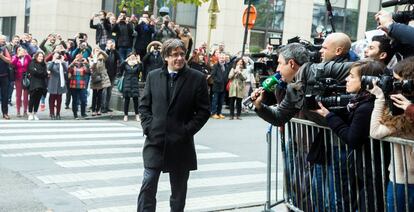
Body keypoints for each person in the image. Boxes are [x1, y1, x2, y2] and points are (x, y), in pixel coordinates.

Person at [251, 33, 353, 211]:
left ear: (291, 64)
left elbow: (364, 68)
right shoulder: (293, 87)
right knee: (318, 199)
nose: (277, 69)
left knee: (335, 201)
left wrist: (311, 71)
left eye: (279, 64)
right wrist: (260, 106)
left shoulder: (323, 69)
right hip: (321, 148)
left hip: (343, 147)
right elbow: (279, 117)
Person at [137, 39, 210, 212]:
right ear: (165, 57)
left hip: (181, 144)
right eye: (174, 55)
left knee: (178, 193)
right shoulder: (153, 76)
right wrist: (149, 127)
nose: (179, 58)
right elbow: (144, 106)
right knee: (148, 185)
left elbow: (203, 111)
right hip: (155, 142)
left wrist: (186, 131)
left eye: (182, 54)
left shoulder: (197, 78)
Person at [314, 59, 390, 211]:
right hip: (370, 169)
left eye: (351, 76)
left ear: (367, 81)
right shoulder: (362, 102)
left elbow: (352, 139)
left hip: (373, 171)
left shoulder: (366, 107)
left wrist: (330, 116)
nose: (347, 79)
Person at [369, 56, 414, 212]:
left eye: (397, 82)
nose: (393, 86)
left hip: (404, 180)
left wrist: (380, 98)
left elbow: (375, 132)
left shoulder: (405, 112)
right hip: (400, 176)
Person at [119, 53, 142, 122]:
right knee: (127, 100)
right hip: (127, 83)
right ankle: (125, 115)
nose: (132, 58)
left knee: (136, 101)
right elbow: (121, 67)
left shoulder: (137, 64)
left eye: (133, 57)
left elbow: (141, 70)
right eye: (131, 57)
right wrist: (126, 60)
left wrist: (139, 61)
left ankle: (137, 115)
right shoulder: (126, 64)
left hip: (134, 83)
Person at [11, 47, 32, 117]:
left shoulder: (27, 57)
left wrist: (27, 54)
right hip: (18, 78)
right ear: (17, 51)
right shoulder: (15, 57)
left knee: (26, 95)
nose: (21, 52)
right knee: (18, 95)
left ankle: (25, 111)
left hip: (26, 78)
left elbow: (31, 61)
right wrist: (17, 56)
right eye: (19, 50)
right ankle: (18, 111)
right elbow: (12, 63)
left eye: (22, 50)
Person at [47, 51, 68, 120]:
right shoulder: (51, 63)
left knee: (59, 100)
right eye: (55, 55)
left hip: (60, 84)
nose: (56, 57)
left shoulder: (62, 63)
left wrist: (62, 61)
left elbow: (66, 70)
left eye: (57, 55)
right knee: (51, 99)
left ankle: (58, 113)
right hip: (53, 83)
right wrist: (53, 60)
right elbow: (49, 68)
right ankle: (52, 113)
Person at [90, 49, 111, 116]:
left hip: (101, 78)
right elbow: (92, 67)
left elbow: (107, 56)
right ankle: (93, 110)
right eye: (95, 50)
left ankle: (98, 109)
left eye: (97, 50)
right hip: (95, 78)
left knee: (100, 95)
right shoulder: (91, 59)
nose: (97, 51)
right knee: (94, 95)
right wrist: (95, 59)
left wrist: (101, 51)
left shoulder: (102, 59)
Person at [68, 55, 90, 119]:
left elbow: (88, 71)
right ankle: (75, 114)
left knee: (83, 100)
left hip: (82, 85)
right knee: (75, 100)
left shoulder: (84, 66)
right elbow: (68, 73)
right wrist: (72, 63)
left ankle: (83, 113)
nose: (79, 61)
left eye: (80, 59)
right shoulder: (73, 66)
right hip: (73, 85)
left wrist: (86, 63)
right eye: (77, 59)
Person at [27, 52, 48, 120]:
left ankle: (35, 113)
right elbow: (32, 71)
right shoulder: (32, 63)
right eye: (39, 56)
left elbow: (45, 74)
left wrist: (38, 72)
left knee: (38, 100)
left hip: (41, 84)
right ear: (36, 57)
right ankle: (30, 113)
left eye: (42, 56)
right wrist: (41, 73)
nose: (41, 58)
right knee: (32, 99)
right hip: (34, 83)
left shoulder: (44, 64)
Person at [103, 39, 121, 113]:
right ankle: (102, 107)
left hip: (112, 74)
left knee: (109, 91)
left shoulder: (114, 52)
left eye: (112, 43)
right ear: (106, 44)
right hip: (105, 74)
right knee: (104, 91)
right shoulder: (104, 51)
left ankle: (107, 106)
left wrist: (114, 50)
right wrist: (108, 49)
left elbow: (119, 58)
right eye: (109, 43)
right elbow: (105, 57)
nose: (111, 45)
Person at [0, 35, 11, 119]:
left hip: (4, 76)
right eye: (2, 39)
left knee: (5, 96)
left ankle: (5, 113)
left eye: (4, 39)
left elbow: (9, 60)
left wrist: (1, 56)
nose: (3, 41)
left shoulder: (4, 49)